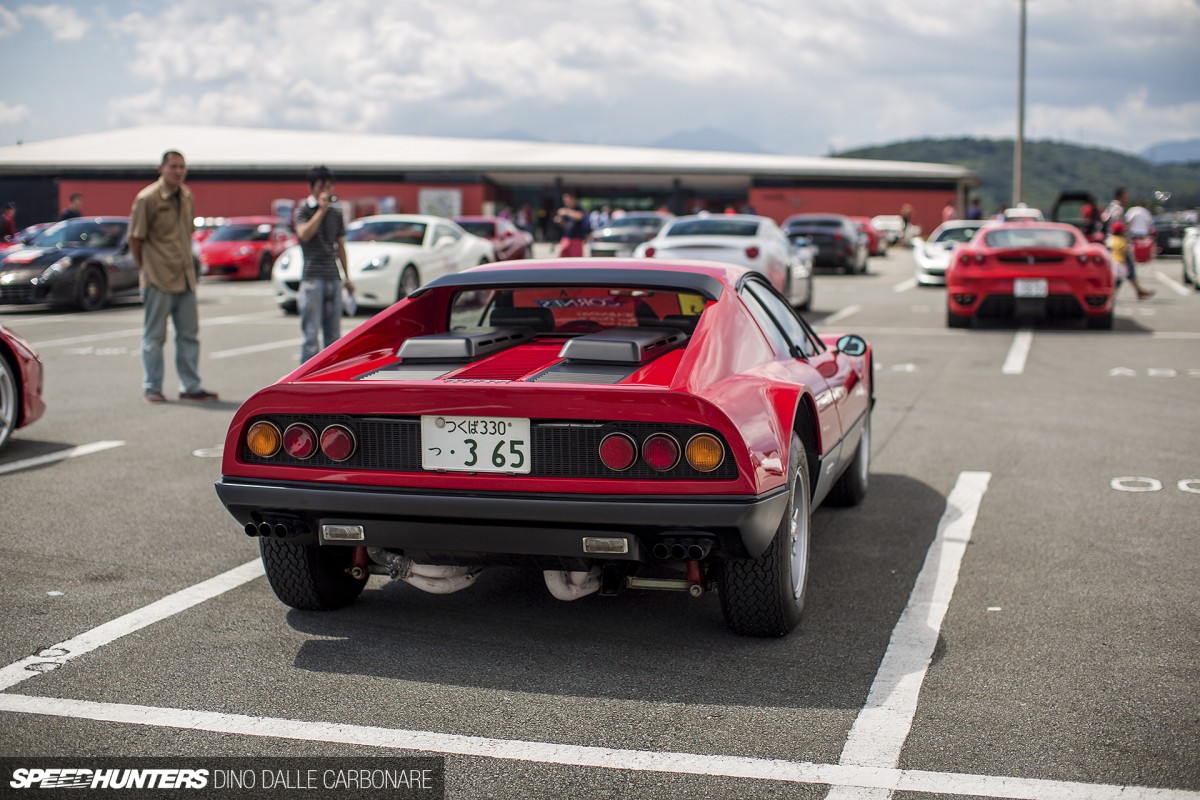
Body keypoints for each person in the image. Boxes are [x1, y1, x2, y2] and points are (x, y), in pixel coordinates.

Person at [129, 150, 217, 403]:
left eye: (182, 167)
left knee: (189, 335)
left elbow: (187, 234)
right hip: (158, 277)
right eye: (173, 166)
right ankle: (152, 387)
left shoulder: (187, 196)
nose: (178, 171)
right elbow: (135, 238)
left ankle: (190, 387)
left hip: (185, 276)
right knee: (155, 336)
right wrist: (146, 270)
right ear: (162, 168)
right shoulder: (147, 198)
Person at [294, 165, 354, 362]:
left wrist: (347, 277)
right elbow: (304, 234)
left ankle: (330, 375)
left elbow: (341, 246)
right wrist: (321, 210)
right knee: (310, 336)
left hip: (333, 277)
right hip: (312, 278)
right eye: (321, 186)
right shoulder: (303, 211)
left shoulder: (336, 213)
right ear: (312, 187)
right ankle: (305, 376)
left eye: (329, 186)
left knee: (334, 337)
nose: (326, 191)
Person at [1106, 221, 1153, 301]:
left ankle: (1139, 291)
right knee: (1119, 281)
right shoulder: (1122, 241)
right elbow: (1126, 255)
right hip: (1120, 263)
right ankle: (1110, 296)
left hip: (1111, 264)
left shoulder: (1109, 240)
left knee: (1120, 280)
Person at [554, 192, 588, 257]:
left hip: (576, 239)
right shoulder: (565, 210)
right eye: (565, 201)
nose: (566, 202)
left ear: (573, 199)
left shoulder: (579, 208)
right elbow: (564, 225)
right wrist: (559, 221)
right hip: (566, 238)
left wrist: (566, 212)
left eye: (568, 200)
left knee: (575, 260)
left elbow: (580, 216)